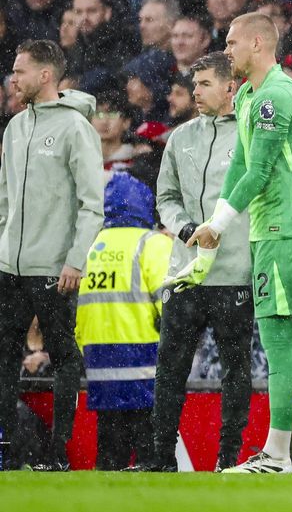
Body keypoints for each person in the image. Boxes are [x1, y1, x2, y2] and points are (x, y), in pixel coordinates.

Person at [186, 13, 292, 473]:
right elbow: (239, 169)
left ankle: (277, 454)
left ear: (258, 43)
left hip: (288, 231)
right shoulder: (247, 94)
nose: (226, 50)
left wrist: (219, 226)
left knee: (278, 341)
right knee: (285, 343)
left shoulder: (277, 96)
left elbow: (260, 173)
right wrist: (212, 230)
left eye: (231, 41)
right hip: (270, 232)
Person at [142, 52, 254, 472]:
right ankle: (160, 458)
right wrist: (185, 228)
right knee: (169, 367)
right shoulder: (180, 137)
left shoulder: (250, 136)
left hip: (233, 271)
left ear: (231, 88)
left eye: (205, 84)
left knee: (235, 371)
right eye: (195, 84)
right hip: (184, 270)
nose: (196, 91)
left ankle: (229, 459)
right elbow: (165, 198)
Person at [0, 40, 105, 470]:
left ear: (45, 76)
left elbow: (92, 204)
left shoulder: (75, 128)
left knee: (64, 357)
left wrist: (75, 259)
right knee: (5, 356)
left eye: (20, 71)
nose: (12, 78)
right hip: (10, 267)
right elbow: (5, 200)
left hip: (55, 268)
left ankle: (57, 454)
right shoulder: (15, 127)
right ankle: (5, 449)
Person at [76, 172, 171, 470]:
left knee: (110, 455)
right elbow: (169, 305)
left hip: (100, 361)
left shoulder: (89, 247)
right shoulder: (152, 244)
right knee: (149, 456)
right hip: (145, 360)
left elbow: (79, 312)